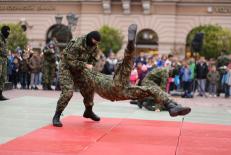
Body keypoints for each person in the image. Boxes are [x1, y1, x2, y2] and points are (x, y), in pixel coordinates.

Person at [52, 24, 191, 127]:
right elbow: (70, 61)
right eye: (95, 42)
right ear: (90, 39)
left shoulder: (94, 48)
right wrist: (85, 66)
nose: (96, 45)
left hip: (110, 84)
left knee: (148, 89)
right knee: (69, 92)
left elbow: (92, 62)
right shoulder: (76, 44)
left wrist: (90, 66)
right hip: (68, 68)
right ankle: (57, 116)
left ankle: (172, 105)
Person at [0, 25, 10, 100]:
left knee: (3, 77)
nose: (8, 33)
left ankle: (0, 94)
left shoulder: (5, 39)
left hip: (4, 60)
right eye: (7, 32)